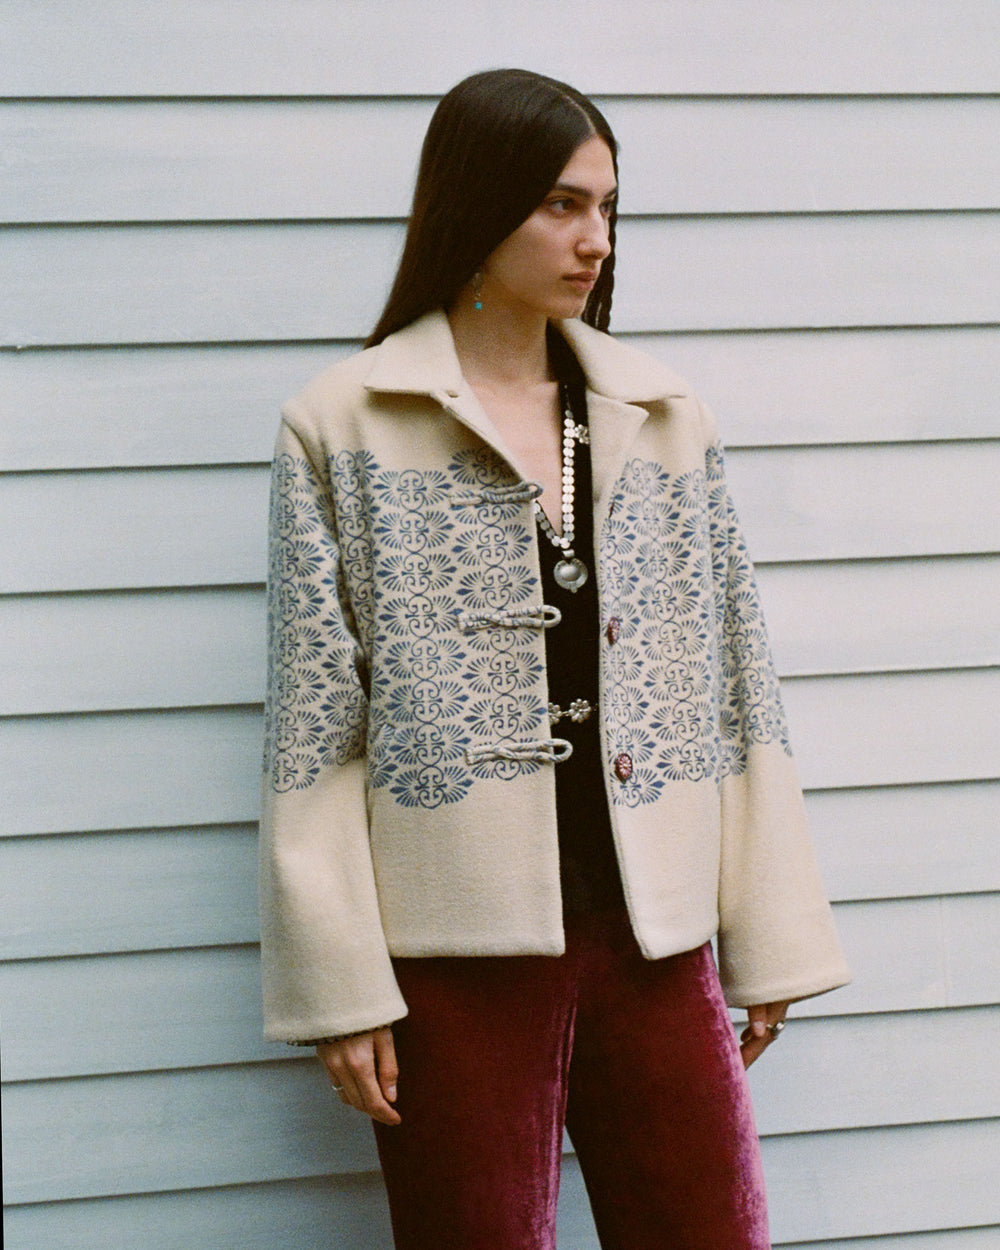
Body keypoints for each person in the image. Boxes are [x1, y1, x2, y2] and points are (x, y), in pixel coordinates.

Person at [259, 68, 850, 1249]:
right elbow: (315, 726)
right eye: (561, 206)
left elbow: (737, 682)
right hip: (450, 957)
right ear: (477, 206)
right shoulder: (342, 421)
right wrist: (342, 986)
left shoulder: (662, 412)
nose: (595, 240)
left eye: (608, 207)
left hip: (656, 936)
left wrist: (766, 925)